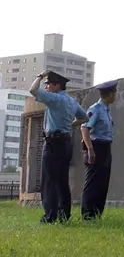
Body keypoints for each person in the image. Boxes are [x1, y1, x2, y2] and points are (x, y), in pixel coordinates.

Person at [29, 69, 88, 224]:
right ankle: (64, 214)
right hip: (66, 142)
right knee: (62, 180)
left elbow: (33, 90)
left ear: (56, 86)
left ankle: (50, 216)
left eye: (48, 84)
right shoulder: (71, 101)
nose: (46, 87)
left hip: (53, 143)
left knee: (49, 180)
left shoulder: (54, 99)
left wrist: (40, 75)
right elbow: (84, 117)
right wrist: (71, 125)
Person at [80, 80, 118, 220]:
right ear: (110, 94)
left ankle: (96, 213)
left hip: (106, 147)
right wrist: (90, 149)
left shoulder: (107, 110)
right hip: (96, 147)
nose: (116, 95)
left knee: (103, 182)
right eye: (115, 92)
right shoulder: (95, 109)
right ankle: (87, 214)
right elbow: (84, 128)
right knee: (93, 182)